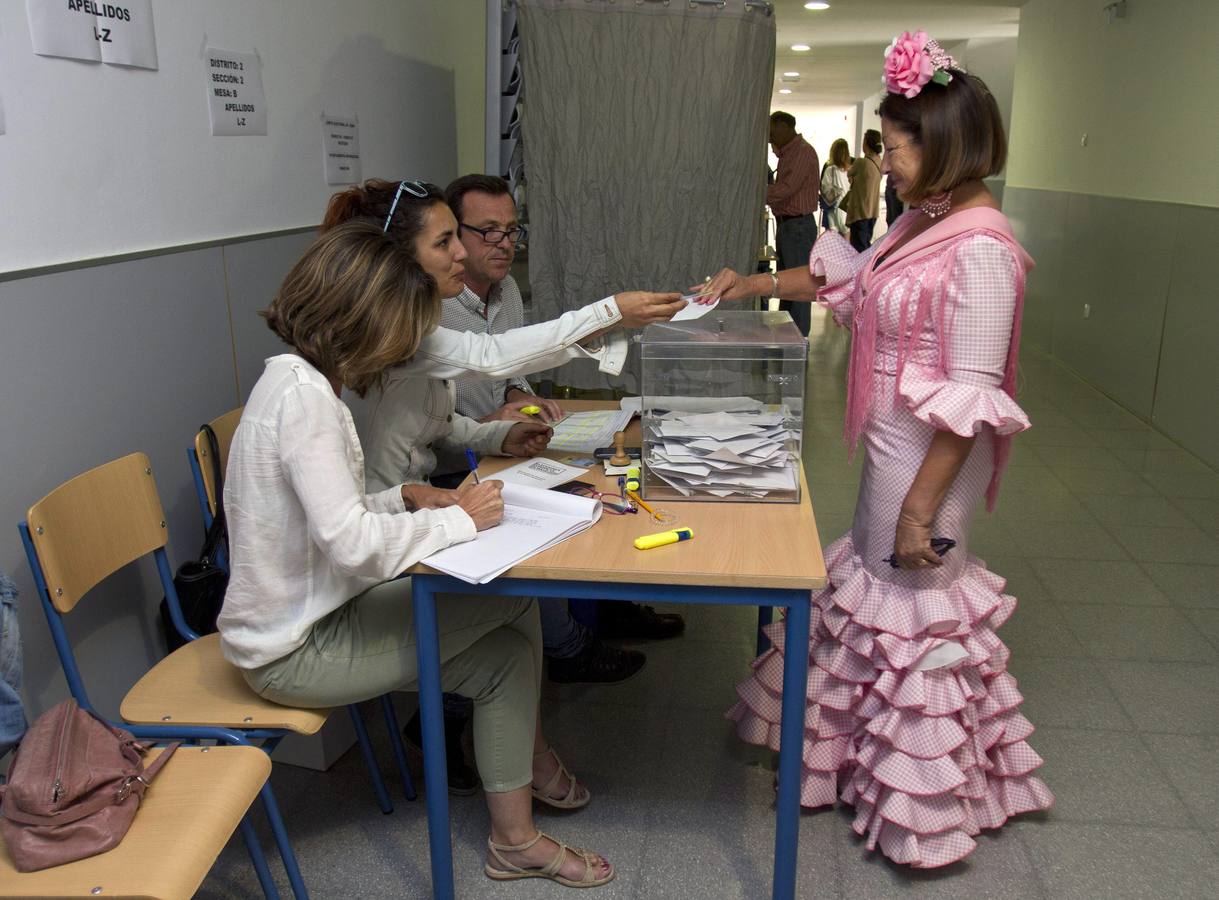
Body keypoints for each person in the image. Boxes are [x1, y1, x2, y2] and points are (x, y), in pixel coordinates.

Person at [220, 215, 683, 885]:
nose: (407, 346)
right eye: (403, 328)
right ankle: (519, 825)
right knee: (509, 612)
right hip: (294, 646)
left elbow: (328, 521)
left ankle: (516, 828)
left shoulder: (295, 384)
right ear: (362, 318)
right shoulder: (307, 406)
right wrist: (458, 521)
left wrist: (406, 494)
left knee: (504, 638)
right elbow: (351, 546)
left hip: (309, 612)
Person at [698, 31, 1053, 869]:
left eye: (895, 150)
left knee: (913, 607)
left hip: (927, 464)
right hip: (895, 447)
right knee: (878, 603)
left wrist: (919, 512)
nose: (883, 164)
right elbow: (851, 280)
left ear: (945, 146)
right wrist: (754, 283)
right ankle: (869, 767)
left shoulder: (980, 247)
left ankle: (920, 815)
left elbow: (968, 408)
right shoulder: (929, 221)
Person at [439, 174, 683, 675]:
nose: (504, 245)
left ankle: (605, 608)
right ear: (452, 236)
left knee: (604, 487)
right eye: (488, 232)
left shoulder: (504, 292)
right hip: (450, 468)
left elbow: (508, 367)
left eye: (511, 231)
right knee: (555, 517)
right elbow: (477, 369)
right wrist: (490, 423)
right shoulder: (429, 308)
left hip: (497, 448)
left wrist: (516, 397)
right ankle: (567, 648)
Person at [766, 111, 820, 336]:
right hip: (788, 227)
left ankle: (798, 340)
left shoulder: (802, 152)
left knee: (797, 288)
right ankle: (788, 338)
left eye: (772, 130)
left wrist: (753, 192)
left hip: (797, 227)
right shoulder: (788, 153)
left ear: (784, 126)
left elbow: (787, 188)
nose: (769, 136)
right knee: (786, 286)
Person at [843, 129, 883, 251]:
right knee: (865, 243)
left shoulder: (861, 162)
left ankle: (864, 270)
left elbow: (850, 172)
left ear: (866, 143)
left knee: (858, 248)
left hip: (860, 212)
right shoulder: (879, 162)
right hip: (873, 211)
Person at [819, 139, 851, 237]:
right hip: (846, 210)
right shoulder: (851, 171)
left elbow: (824, 189)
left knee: (834, 244)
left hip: (832, 211)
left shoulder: (830, 170)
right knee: (847, 244)